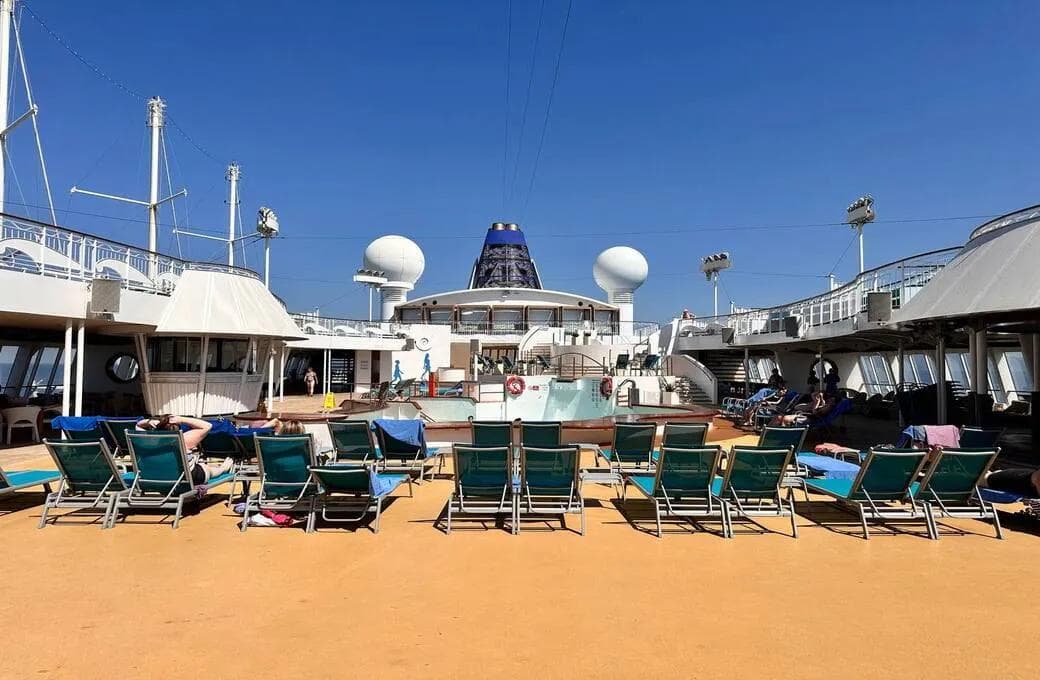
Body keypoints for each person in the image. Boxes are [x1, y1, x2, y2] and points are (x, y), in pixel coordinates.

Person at [136, 415, 233, 485]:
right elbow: (208, 426)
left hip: (156, 477)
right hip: (186, 478)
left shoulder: (149, 440)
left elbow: (138, 426)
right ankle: (223, 468)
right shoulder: (184, 439)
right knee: (206, 468)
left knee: (198, 465)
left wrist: (148, 422)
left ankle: (219, 467)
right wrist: (182, 419)